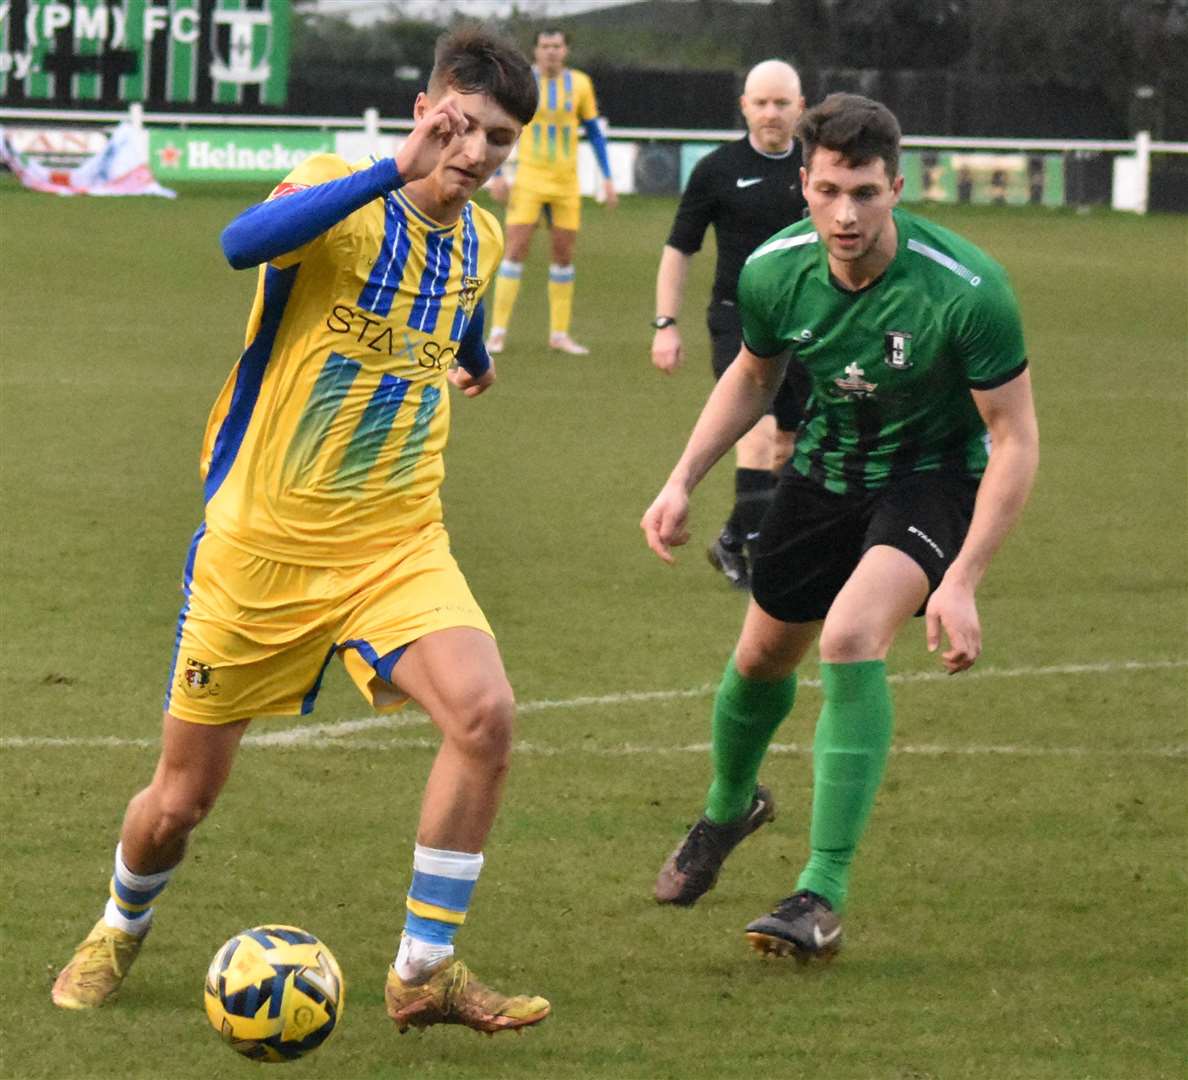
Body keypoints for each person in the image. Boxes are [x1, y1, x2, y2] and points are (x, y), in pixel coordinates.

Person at [51, 28, 552, 1036]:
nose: (474, 154)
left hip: (398, 539)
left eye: (496, 140)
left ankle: (423, 968)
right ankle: (119, 922)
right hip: (260, 548)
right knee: (180, 801)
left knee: (485, 717)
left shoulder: (484, 239)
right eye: (458, 128)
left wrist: (474, 356)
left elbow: (460, 310)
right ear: (423, 111)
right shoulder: (339, 186)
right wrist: (390, 172)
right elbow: (240, 244)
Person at [641, 93, 1038, 963]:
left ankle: (821, 891)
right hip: (824, 470)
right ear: (806, 188)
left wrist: (964, 577)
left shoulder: (966, 290)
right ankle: (727, 808)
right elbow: (753, 377)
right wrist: (681, 481)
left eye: (864, 191)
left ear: (897, 186)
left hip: (934, 479)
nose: (845, 212)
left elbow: (1014, 437)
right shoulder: (776, 270)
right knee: (757, 660)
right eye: (827, 191)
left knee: (851, 638)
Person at [651, 59, 812, 590]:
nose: (771, 113)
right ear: (744, 105)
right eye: (761, 102)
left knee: (794, 445)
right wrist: (665, 323)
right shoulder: (717, 169)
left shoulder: (816, 173)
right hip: (736, 318)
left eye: (782, 103)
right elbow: (679, 249)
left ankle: (731, 540)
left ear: (800, 108)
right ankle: (769, 563)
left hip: (807, 323)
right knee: (759, 434)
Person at [486, 28, 617, 356]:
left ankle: (559, 334)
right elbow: (500, 124)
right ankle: (497, 333)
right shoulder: (521, 81)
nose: (551, 52)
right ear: (535, 50)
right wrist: (497, 173)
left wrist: (608, 178)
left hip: (565, 183)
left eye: (556, 46)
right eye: (545, 46)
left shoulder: (581, 84)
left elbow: (594, 132)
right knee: (515, 249)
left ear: (566, 51)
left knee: (563, 254)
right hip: (529, 179)